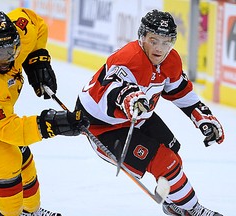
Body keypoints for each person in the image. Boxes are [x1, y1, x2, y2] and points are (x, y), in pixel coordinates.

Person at [75, 9, 224, 216]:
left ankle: (175, 204)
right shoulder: (129, 59)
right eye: (153, 40)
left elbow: (181, 92)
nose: (159, 48)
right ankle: (192, 210)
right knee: (165, 162)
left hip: (138, 116)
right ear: (142, 36)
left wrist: (202, 117)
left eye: (166, 42)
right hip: (101, 126)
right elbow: (111, 91)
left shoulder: (170, 60)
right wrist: (128, 97)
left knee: (172, 154)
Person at [0, 8, 89, 216]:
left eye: (11, 50)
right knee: (7, 158)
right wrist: (51, 124)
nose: (6, 59)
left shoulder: (20, 30)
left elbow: (37, 24)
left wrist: (37, 58)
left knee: (23, 156)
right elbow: (7, 129)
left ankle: (29, 211)